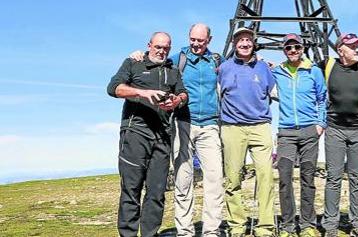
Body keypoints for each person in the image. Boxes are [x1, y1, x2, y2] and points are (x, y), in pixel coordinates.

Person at [129, 23, 223, 237]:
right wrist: (137, 54)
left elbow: (238, 65)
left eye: (200, 40)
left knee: (215, 179)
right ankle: (185, 231)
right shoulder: (178, 60)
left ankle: (211, 231)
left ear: (209, 40)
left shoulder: (217, 61)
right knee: (183, 179)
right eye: (193, 39)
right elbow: (155, 58)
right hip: (182, 122)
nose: (196, 44)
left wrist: (259, 61)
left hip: (209, 124)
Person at [107, 32, 188, 237]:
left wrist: (177, 101)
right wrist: (141, 92)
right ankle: (128, 234)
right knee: (131, 189)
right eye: (158, 46)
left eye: (166, 48)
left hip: (162, 135)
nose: (162, 51)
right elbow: (113, 88)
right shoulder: (134, 63)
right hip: (135, 132)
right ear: (149, 45)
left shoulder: (173, 71)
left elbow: (183, 93)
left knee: (157, 192)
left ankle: (150, 234)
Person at [219, 27, 276, 237]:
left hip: (260, 127)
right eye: (240, 40)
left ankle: (265, 226)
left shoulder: (264, 68)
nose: (244, 43)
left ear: (253, 43)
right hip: (232, 128)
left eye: (248, 40)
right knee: (233, 179)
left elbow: (274, 92)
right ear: (234, 43)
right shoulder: (223, 68)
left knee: (265, 176)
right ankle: (237, 225)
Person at [272, 33, 327, 237]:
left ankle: (307, 224)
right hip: (286, 132)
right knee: (285, 178)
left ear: (302, 49)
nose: (293, 50)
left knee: (307, 178)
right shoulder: (278, 72)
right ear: (284, 50)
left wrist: (320, 124)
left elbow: (323, 98)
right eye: (289, 48)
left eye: (296, 47)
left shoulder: (314, 71)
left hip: (309, 131)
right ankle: (287, 225)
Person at [319, 33, 358, 237]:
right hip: (335, 129)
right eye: (352, 46)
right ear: (341, 49)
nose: (356, 49)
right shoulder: (328, 65)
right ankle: (331, 225)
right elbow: (302, 65)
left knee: (357, 178)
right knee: (333, 178)